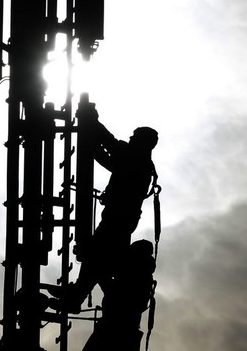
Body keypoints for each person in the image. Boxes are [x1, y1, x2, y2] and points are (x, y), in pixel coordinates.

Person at [50, 109, 158, 311]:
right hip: (120, 219)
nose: (130, 138)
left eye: (134, 137)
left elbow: (110, 145)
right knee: (96, 257)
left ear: (142, 142)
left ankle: (78, 298)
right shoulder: (139, 163)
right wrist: (93, 138)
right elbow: (110, 154)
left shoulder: (136, 160)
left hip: (118, 220)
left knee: (95, 257)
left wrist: (92, 122)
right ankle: (76, 296)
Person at [82, 239, 156, 351]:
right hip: (123, 331)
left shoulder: (136, 274)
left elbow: (116, 295)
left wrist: (100, 274)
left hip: (114, 330)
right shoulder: (141, 273)